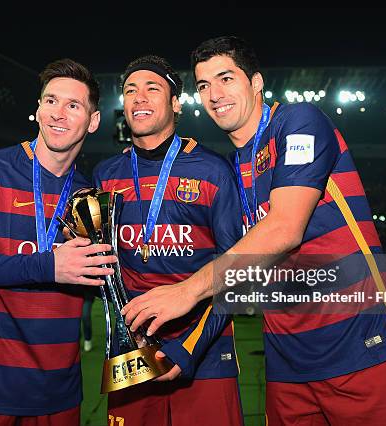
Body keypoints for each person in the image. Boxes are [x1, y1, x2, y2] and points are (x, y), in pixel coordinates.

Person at [122, 37, 386, 425]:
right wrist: (184, 347)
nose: (214, 94)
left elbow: (285, 228)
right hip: (286, 364)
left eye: (225, 78)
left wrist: (186, 291)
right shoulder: (232, 168)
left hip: (363, 345)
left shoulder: (299, 121)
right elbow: (240, 271)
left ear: (255, 83)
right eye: (204, 86)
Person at [0, 58, 117, 426]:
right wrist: (49, 264)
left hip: (58, 391)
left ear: (94, 121)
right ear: (37, 109)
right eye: (50, 101)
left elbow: (100, 277)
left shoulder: (88, 197)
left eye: (73, 105)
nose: (58, 114)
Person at [93, 55, 244, 426]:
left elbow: (238, 271)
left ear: (176, 104)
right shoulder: (105, 176)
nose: (139, 98)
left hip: (205, 350)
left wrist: (187, 347)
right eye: (130, 90)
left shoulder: (213, 169)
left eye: (152, 88)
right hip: (131, 354)